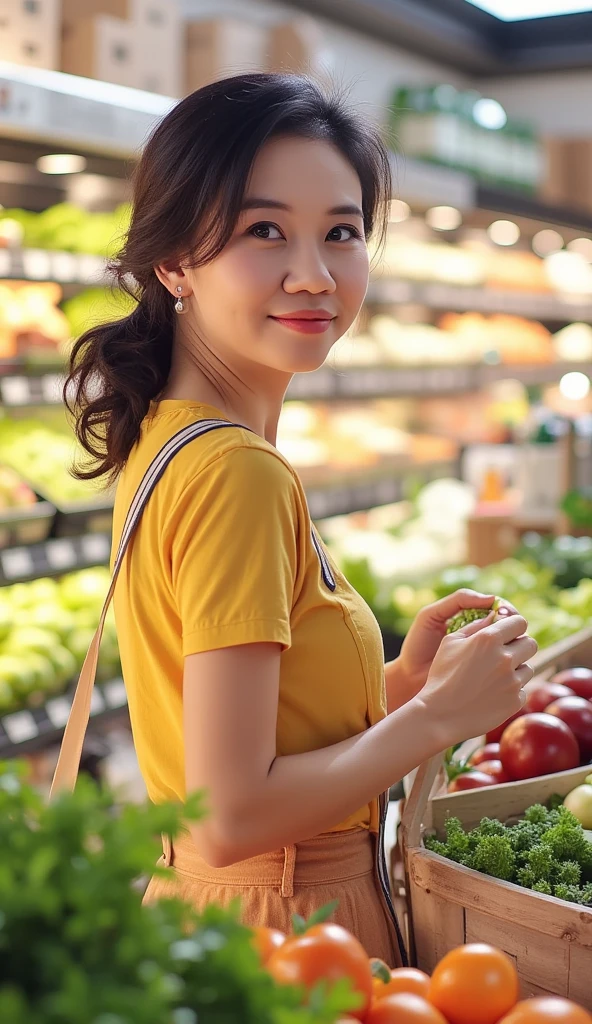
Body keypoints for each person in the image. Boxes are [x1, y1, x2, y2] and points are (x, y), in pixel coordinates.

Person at [65, 73, 536, 965]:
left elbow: (245, 747)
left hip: (217, 912)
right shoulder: (238, 474)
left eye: (342, 233)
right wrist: (435, 723)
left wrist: (402, 690)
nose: (314, 275)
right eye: (263, 230)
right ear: (173, 262)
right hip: (290, 927)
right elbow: (236, 811)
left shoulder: (173, 439)